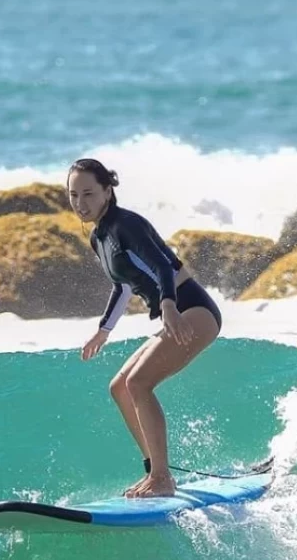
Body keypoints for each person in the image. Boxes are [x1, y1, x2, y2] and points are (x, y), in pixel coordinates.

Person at [68, 158, 222, 498]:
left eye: (89, 194)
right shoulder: (99, 238)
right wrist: (103, 330)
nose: (81, 203)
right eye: (74, 195)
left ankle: (162, 478)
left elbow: (164, 267)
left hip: (192, 309)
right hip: (175, 311)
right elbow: (123, 286)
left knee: (139, 383)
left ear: (108, 191)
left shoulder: (127, 225)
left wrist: (167, 305)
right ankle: (155, 470)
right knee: (120, 387)